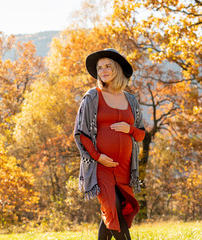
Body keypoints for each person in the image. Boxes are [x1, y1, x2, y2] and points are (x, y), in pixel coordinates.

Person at [74, 49, 145, 240]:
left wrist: (129, 128)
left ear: (118, 69)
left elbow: (140, 134)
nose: (103, 70)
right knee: (112, 209)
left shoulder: (131, 100)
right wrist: (98, 157)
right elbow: (81, 133)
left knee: (113, 213)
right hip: (101, 167)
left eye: (108, 66)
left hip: (124, 169)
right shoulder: (92, 97)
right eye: (100, 68)